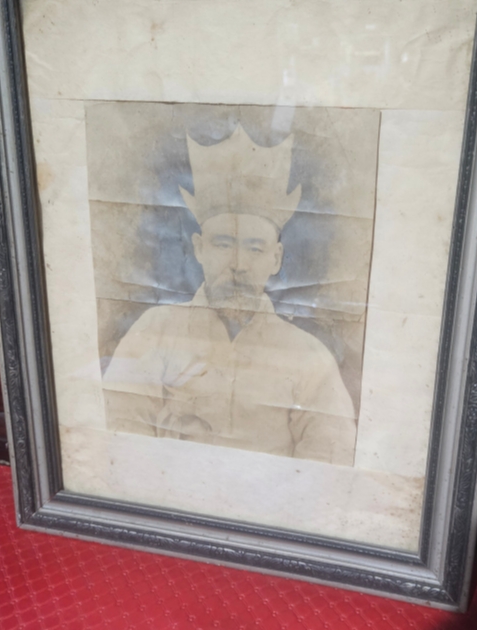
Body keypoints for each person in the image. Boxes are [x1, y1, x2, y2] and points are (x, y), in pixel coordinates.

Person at [103, 124, 356, 465]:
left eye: (255, 248)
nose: (238, 264)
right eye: (223, 244)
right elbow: (120, 430)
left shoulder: (309, 356)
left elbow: (330, 455)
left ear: (276, 258)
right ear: (199, 248)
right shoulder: (155, 329)